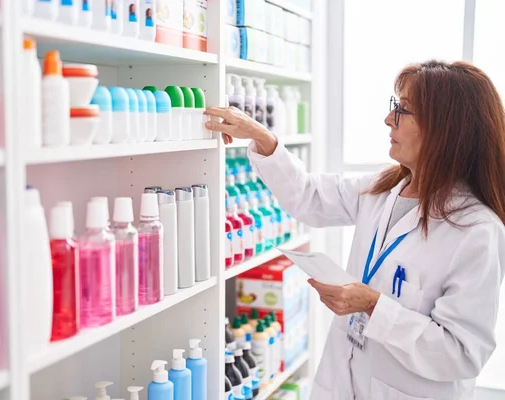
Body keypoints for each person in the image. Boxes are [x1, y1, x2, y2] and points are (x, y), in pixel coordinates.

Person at [205, 60, 505, 399]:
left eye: (403, 110)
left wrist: (374, 305)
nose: (388, 119)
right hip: (343, 381)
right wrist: (262, 137)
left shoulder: (477, 230)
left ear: (444, 130)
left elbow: (462, 353)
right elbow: (308, 196)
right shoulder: (383, 187)